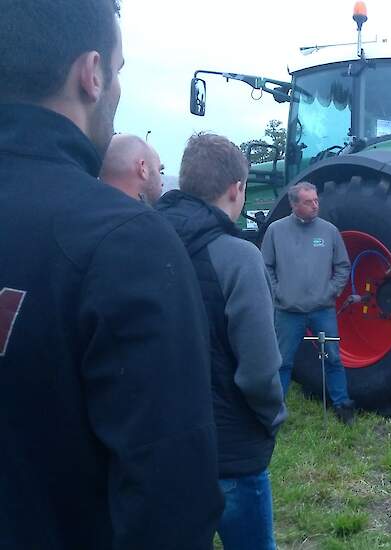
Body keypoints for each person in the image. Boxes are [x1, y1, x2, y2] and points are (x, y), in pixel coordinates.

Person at [0, 2, 223, 549]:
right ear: (92, 73)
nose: (118, 87)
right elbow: (171, 506)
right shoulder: (127, 245)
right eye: (119, 70)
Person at [157, 133, 287, 550]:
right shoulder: (239, 257)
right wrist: (270, 417)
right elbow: (260, 369)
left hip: (158, 448)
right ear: (237, 188)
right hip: (229, 451)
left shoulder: (140, 241)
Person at [261, 181, 355, 424]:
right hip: (287, 311)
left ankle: (342, 405)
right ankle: (275, 410)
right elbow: (266, 266)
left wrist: (331, 291)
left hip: (322, 310)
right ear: (294, 205)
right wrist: (278, 292)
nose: (315, 205)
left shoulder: (329, 231)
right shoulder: (275, 231)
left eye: (316, 200)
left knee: (334, 358)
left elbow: (343, 266)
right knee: (283, 362)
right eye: (308, 202)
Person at [100, 132, 165, 204]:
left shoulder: (89, 207)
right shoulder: (142, 214)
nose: (162, 183)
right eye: (159, 171)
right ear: (143, 169)